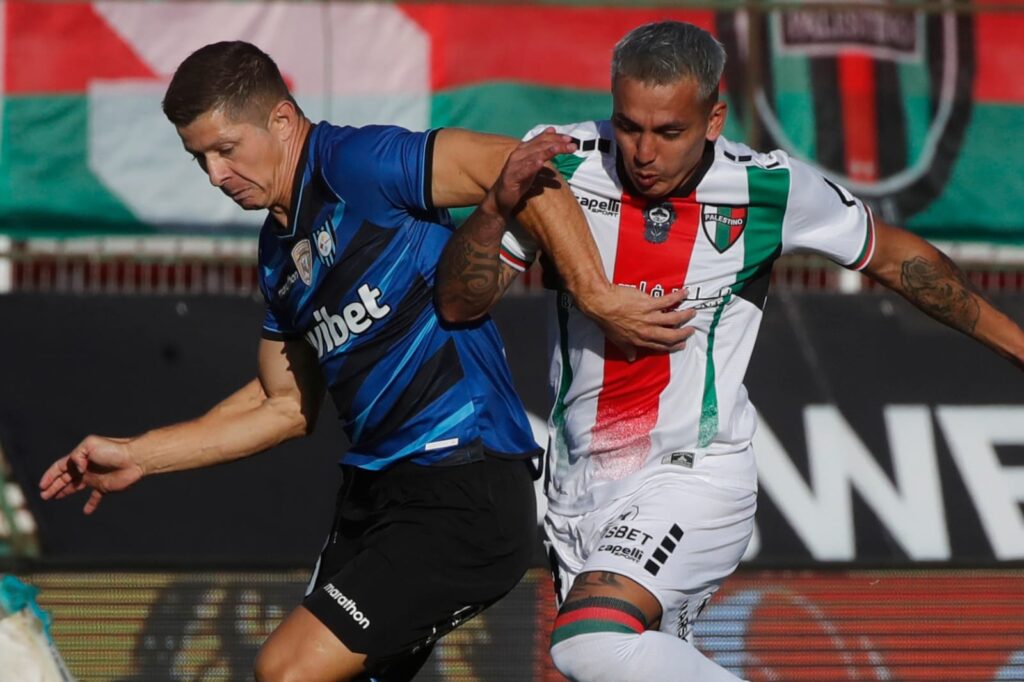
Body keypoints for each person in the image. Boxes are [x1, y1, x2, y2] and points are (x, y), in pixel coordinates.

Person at [36, 41, 689, 682]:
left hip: (463, 485)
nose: (214, 175)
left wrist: (596, 293)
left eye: (225, 149)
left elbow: (514, 169)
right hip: (376, 500)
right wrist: (141, 455)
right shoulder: (276, 253)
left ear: (282, 121)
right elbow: (283, 404)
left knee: (288, 669)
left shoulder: (357, 164)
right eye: (197, 157)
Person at [435, 20, 1024, 682]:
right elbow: (458, 304)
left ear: (714, 117)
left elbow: (893, 257)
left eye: (668, 132)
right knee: (615, 663)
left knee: (588, 643)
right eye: (629, 126)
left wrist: (1016, 344)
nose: (643, 152)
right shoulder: (562, 165)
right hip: (577, 490)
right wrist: (496, 203)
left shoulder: (768, 189)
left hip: (695, 472)